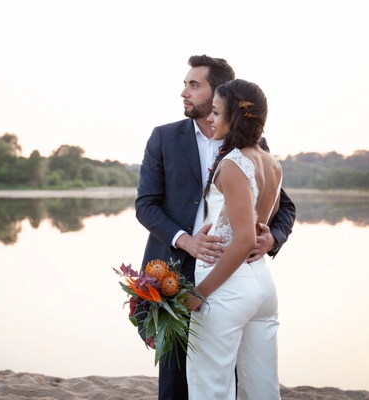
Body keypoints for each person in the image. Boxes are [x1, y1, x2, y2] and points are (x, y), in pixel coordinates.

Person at [135, 56, 295, 400]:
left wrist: (269, 238)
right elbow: (145, 204)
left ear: (219, 94)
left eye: (194, 85)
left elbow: (284, 209)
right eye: (185, 84)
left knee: (215, 383)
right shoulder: (164, 138)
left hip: (230, 277)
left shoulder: (247, 152)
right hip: (177, 268)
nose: (184, 92)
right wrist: (186, 241)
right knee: (182, 376)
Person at [184, 78, 282, 399]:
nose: (210, 119)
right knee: (261, 388)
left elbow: (242, 239)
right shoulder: (271, 163)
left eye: (216, 112)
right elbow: (258, 225)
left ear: (236, 117)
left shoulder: (233, 163)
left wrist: (200, 293)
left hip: (227, 290)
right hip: (262, 286)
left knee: (209, 385)